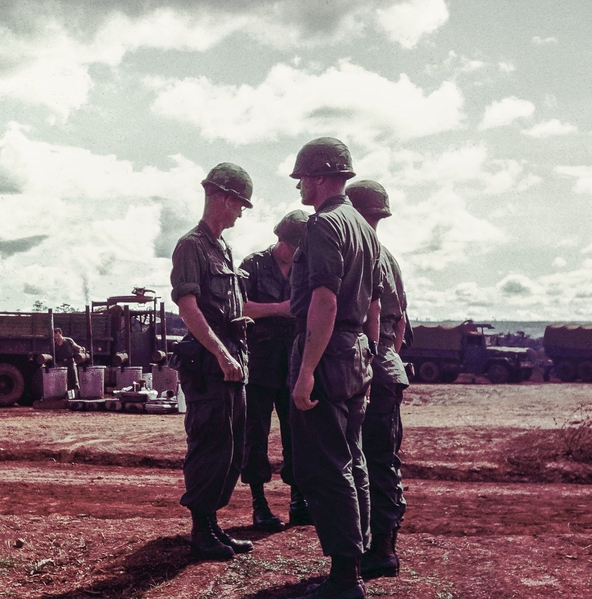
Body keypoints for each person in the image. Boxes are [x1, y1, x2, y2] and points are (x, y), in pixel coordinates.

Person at [289, 138, 382, 599]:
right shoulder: (363, 228)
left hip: (326, 352)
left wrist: (307, 371)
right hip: (353, 350)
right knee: (353, 458)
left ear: (322, 176)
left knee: (328, 465)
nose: (300, 185)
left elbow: (323, 300)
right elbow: (374, 307)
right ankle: (356, 561)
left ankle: (346, 577)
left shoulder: (324, 224)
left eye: (303, 177)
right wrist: (365, 355)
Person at [170, 162, 255, 561]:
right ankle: (201, 529)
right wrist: (221, 354)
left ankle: (212, 524)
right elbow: (189, 307)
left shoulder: (222, 247)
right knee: (210, 444)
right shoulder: (191, 245)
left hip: (233, 361)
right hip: (209, 366)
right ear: (221, 197)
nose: (241, 212)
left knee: (233, 448)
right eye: (239, 203)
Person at [346, 180, 409, 579]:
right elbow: (400, 321)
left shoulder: (355, 253)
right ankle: (381, 543)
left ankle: (379, 547)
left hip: (365, 367)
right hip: (386, 365)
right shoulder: (387, 256)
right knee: (380, 457)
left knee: (367, 460)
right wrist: (387, 356)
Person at [240, 210, 313, 531]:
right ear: (281, 240)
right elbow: (238, 307)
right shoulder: (252, 265)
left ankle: (299, 500)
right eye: (295, 246)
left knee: (297, 434)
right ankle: (260, 505)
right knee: (254, 435)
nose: (299, 253)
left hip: (293, 364)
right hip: (258, 364)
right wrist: (281, 309)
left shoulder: (307, 267)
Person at [53, 328, 82, 392]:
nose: (57, 338)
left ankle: (77, 394)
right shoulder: (54, 344)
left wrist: (80, 349)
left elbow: (76, 347)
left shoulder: (68, 340)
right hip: (61, 363)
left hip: (70, 362)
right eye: (55, 336)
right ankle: (66, 395)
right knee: (63, 380)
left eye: (58, 336)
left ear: (61, 333)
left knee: (74, 379)